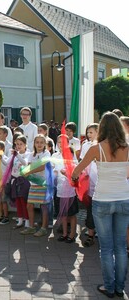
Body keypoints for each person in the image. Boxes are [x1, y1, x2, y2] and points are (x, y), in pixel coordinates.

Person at [72, 112, 129, 298]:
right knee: (120, 245)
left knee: (106, 247)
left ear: (102, 128)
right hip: (123, 198)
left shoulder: (96, 149)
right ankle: (120, 288)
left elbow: (77, 170)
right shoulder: (127, 147)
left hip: (102, 199)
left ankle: (109, 287)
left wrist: (73, 176)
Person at [21, 134, 51, 236]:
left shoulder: (46, 153)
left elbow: (43, 167)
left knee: (44, 206)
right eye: (37, 142)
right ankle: (31, 227)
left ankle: (43, 228)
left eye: (41, 142)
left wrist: (30, 171)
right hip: (33, 183)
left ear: (45, 144)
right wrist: (26, 171)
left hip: (43, 183)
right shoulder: (31, 154)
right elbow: (28, 167)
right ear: (34, 143)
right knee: (29, 205)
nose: (39, 144)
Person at [52, 134, 78, 243]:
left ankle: (72, 235)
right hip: (60, 189)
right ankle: (64, 233)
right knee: (62, 213)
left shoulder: (71, 155)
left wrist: (67, 172)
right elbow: (52, 169)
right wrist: (53, 173)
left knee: (71, 214)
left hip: (70, 190)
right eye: (58, 142)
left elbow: (76, 171)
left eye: (63, 142)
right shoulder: (55, 156)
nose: (61, 144)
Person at [79, 123, 99, 247]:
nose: (88, 135)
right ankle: (91, 233)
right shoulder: (85, 145)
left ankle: (100, 233)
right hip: (89, 181)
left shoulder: (102, 145)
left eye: (91, 132)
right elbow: (82, 162)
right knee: (90, 209)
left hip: (100, 181)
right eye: (88, 132)